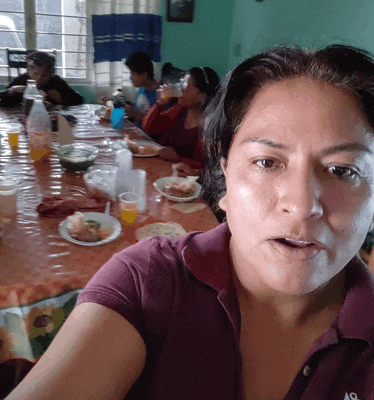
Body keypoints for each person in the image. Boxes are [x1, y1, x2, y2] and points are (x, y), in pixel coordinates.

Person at [6, 44, 374, 400]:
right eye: (267, 162)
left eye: (343, 170)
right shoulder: (148, 282)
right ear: (225, 176)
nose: (301, 205)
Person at [142, 66, 220, 170]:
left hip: (183, 180)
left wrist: (177, 158)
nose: (179, 89)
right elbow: (149, 128)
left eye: (185, 85)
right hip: (162, 169)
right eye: (181, 83)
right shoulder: (181, 108)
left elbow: (205, 168)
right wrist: (159, 104)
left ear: (202, 95)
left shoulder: (209, 126)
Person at [0, 51, 84, 107]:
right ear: (29, 71)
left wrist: (61, 99)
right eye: (36, 74)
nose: (39, 79)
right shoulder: (23, 79)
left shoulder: (55, 81)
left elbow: (79, 100)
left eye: (44, 76)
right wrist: (11, 91)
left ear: (51, 74)